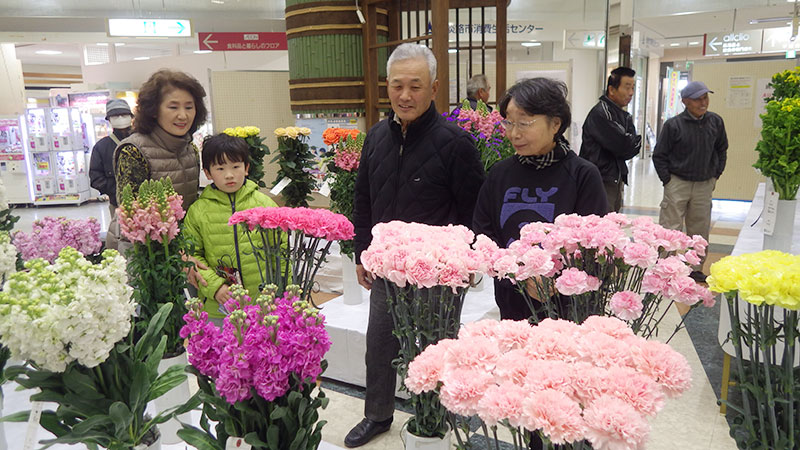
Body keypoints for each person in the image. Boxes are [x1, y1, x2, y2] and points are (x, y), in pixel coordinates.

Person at [346, 43, 485, 448]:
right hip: (388, 267)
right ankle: (377, 415)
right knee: (380, 343)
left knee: (435, 348)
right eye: (397, 86)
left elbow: (472, 209)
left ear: (434, 88)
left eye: (416, 86)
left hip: (437, 273)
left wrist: (463, 263)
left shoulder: (456, 143)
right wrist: (361, 253)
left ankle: (433, 420)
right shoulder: (375, 137)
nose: (405, 96)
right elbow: (363, 199)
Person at [473, 77, 607, 450]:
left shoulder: (582, 175)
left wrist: (554, 275)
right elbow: (484, 233)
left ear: (555, 123)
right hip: (514, 306)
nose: (514, 132)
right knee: (524, 396)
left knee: (560, 399)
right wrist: (518, 271)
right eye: (509, 122)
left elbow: (594, 244)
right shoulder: (500, 174)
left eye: (525, 122)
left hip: (565, 311)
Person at [114, 68, 209, 287]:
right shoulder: (133, 150)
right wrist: (178, 255)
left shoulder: (190, 150)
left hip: (184, 252)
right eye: (173, 107)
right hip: (146, 256)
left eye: (189, 107)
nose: (183, 115)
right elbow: (133, 216)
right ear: (154, 110)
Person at [183, 133, 279, 323]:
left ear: (246, 168)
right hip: (217, 307)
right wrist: (215, 286)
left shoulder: (265, 205)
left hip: (262, 305)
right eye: (220, 168)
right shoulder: (198, 211)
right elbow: (191, 256)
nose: (229, 175)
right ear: (208, 173)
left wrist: (282, 293)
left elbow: (280, 252)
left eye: (236, 167)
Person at [653, 81, 727, 283]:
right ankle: (667, 268)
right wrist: (667, 180)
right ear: (685, 102)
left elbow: (722, 149)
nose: (703, 103)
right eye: (697, 99)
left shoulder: (716, 122)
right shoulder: (673, 125)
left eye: (705, 98)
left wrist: (716, 174)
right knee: (670, 228)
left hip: (704, 184)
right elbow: (659, 155)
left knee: (700, 229)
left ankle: (695, 268)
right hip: (677, 182)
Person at [579, 67, 641, 212]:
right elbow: (623, 145)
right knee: (602, 224)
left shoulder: (622, 114)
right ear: (612, 90)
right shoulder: (601, 113)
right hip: (600, 179)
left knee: (612, 222)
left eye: (632, 88)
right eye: (627, 87)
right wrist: (631, 141)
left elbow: (633, 146)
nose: (631, 93)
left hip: (614, 177)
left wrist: (631, 142)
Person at [89, 98, 133, 250]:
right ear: (109, 120)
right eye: (115, 116)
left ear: (131, 116)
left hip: (147, 203)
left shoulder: (142, 140)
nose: (120, 119)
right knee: (121, 239)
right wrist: (115, 190)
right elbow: (95, 177)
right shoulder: (101, 147)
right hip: (118, 204)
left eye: (124, 114)